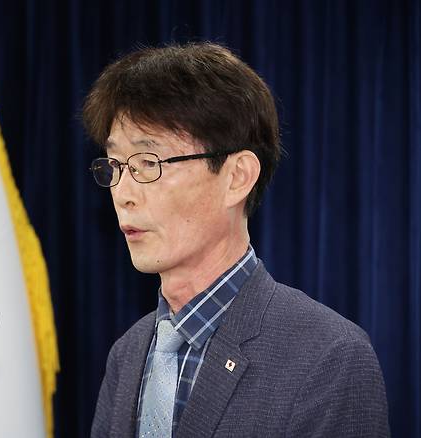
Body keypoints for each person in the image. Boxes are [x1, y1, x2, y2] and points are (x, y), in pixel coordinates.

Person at [82, 43, 389, 438]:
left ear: (237, 177)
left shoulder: (329, 357)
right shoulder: (128, 354)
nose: (123, 192)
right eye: (115, 165)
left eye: (148, 163)